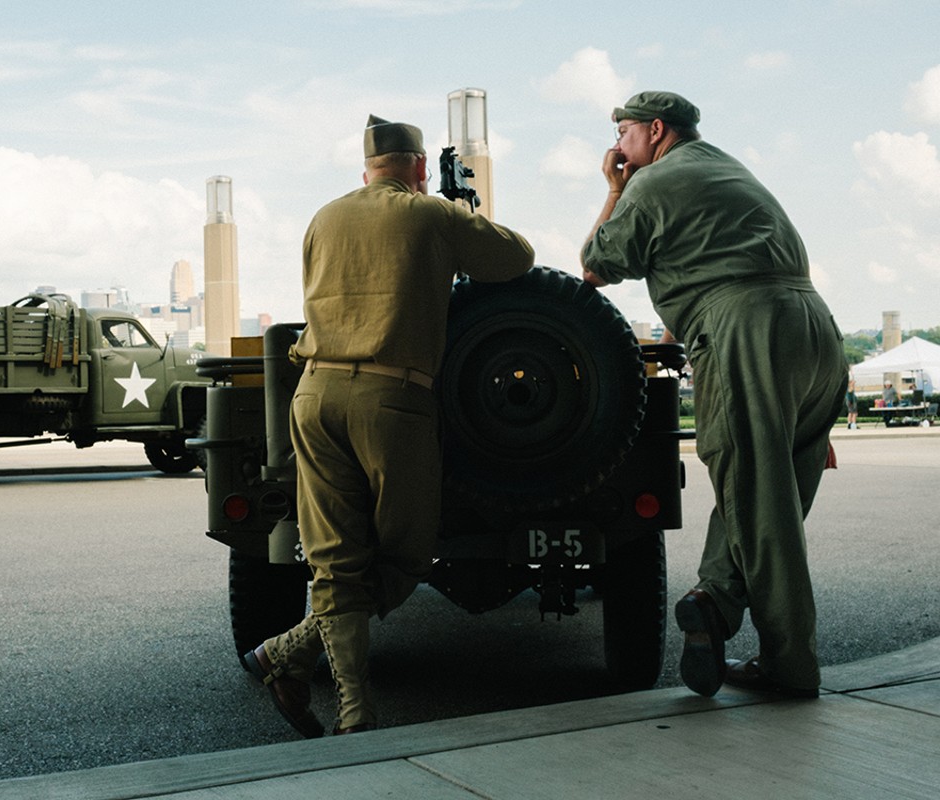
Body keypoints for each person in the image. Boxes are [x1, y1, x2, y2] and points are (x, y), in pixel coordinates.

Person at [244, 114, 535, 736]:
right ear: (420, 167)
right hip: (390, 399)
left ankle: (332, 693)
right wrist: (460, 213)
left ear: (366, 169)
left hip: (314, 393)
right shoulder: (430, 214)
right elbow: (516, 258)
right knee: (404, 555)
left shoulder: (324, 216)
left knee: (334, 559)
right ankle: (308, 671)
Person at [580, 91, 847, 699]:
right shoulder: (729, 167)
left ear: (654, 130)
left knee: (761, 503)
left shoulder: (653, 183)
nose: (617, 147)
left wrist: (617, 188)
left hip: (747, 330)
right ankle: (716, 602)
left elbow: (595, 266)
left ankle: (791, 664)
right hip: (815, 330)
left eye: (622, 134)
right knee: (763, 493)